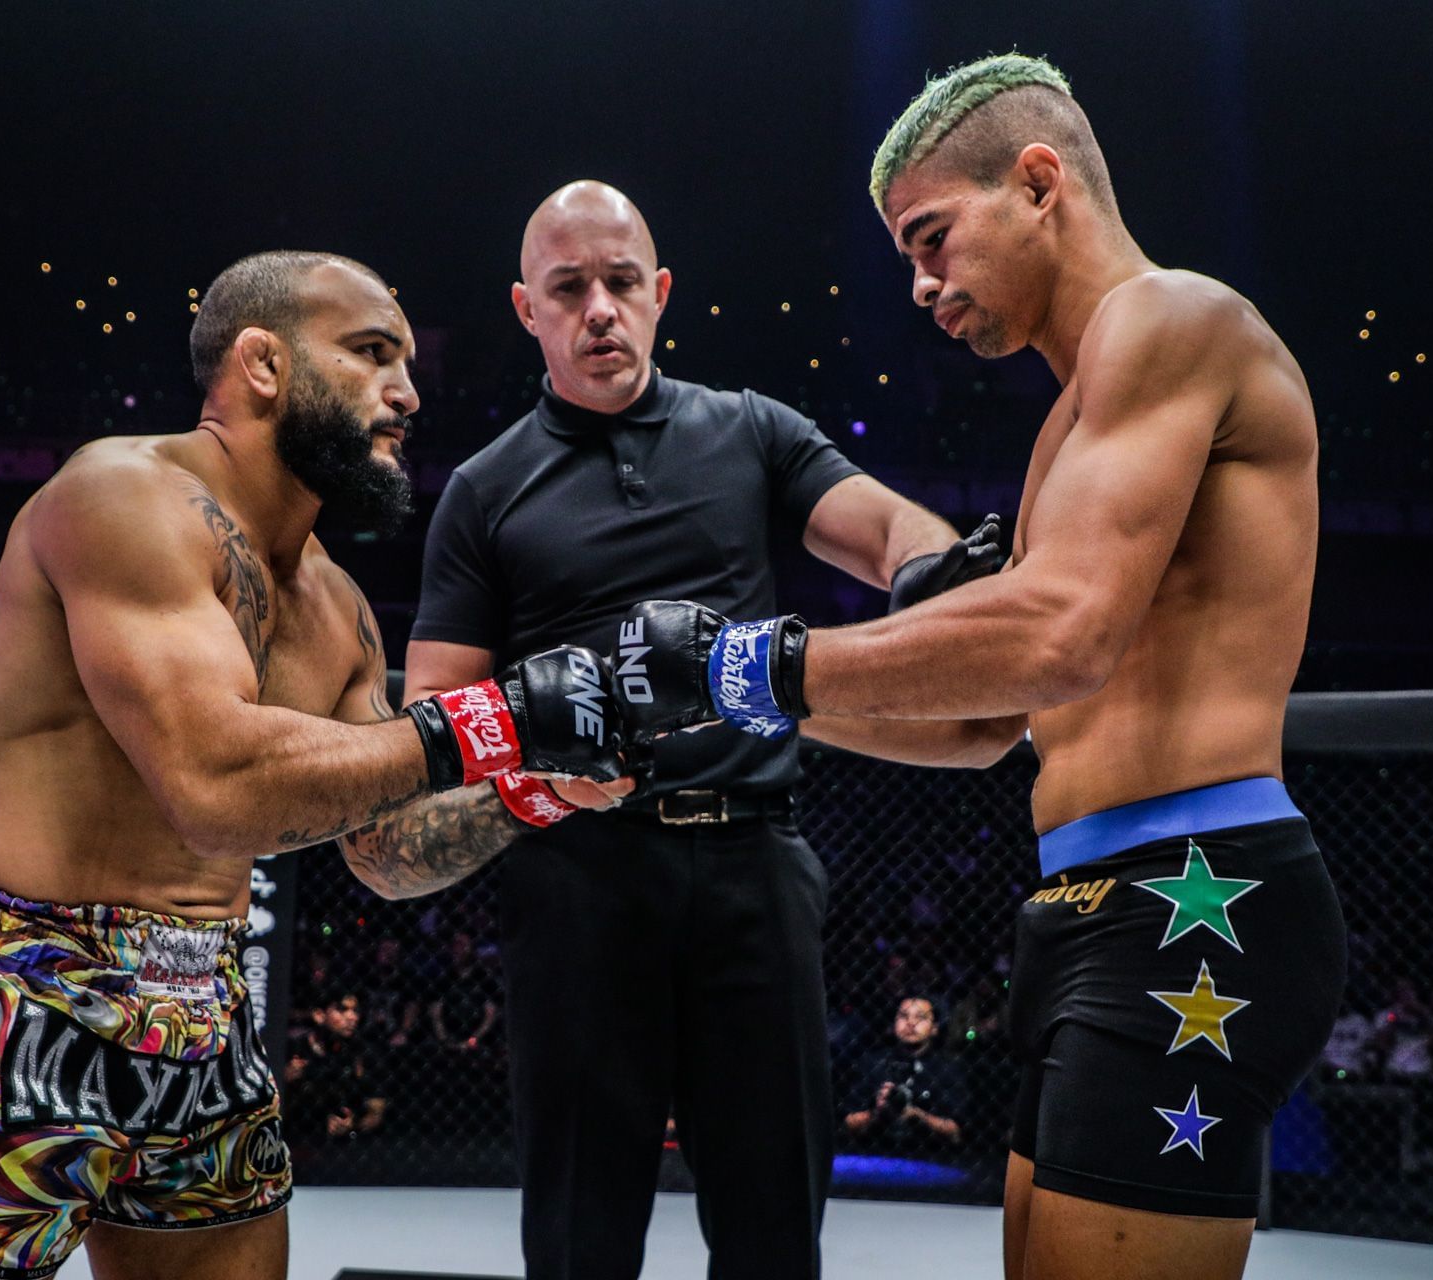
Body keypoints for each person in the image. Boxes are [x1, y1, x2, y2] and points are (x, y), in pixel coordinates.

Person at [615, 55, 1348, 1280]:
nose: (921, 284)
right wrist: (715, 716)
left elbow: (1062, 633)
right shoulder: (1069, 418)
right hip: (1091, 898)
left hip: (1196, 891)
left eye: (933, 237)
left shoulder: (1174, 319)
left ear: (1039, 181)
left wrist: (751, 662)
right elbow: (985, 723)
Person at [0, 250, 632, 1280]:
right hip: (21, 995)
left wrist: (534, 784)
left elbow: (386, 851)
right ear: (263, 362)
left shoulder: (338, 604)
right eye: (372, 353)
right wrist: (498, 718)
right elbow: (215, 786)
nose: (410, 391)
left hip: (204, 1017)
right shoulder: (121, 496)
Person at [404, 179, 1021, 1280]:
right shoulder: (487, 489)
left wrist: (931, 569)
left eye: (622, 282)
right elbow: (432, 728)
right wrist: (536, 763)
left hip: (754, 864)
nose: (600, 307)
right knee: (581, 1231)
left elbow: (887, 528)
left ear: (662, 292)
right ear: (526, 309)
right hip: (579, 875)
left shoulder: (748, 429)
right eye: (569, 287)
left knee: (775, 1224)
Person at [842, 996, 966, 1157]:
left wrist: (915, 1114)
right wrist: (878, 1112)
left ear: (935, 1028)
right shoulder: (871, 1062)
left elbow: (955, 1132)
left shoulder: (948, 1068)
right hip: (872, 1155)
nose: (911, 1023)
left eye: (920, 1017)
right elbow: (848, 1123)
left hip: (931, 1158)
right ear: (894, 1024)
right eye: (903, 1016)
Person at [283, 987, 387, 1147]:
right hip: (292, 1138)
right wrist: (284, 1079)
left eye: (355, 1011)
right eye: (342, 1009)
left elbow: (377, 1110)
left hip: (345, 1146)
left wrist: (352, 1123)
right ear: (319, 1015)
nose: (352, 1017)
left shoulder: (363, 1054)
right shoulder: (293, 1050)